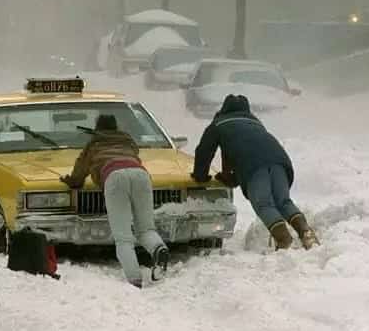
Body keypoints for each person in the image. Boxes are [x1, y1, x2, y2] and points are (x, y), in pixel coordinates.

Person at [191, 94, 319, 250]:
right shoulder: (255, 122)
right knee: (283, 202)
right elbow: (246, 149)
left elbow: (204, 152)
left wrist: (200, 176)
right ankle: (306, 233)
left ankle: (284, 240)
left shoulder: (218, 124)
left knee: (264, 204)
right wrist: (232, 178)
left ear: (224, 109)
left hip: (254, 167)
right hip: (280, 162)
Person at [61, 114, 169, 287]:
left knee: (123, 237)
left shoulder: (94, 144)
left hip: (114, 176)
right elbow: (132, 155)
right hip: (141, 175)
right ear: (116, 127)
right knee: (146, 229)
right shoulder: (127, 141)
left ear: (97, 128)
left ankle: (134, 280)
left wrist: (72, 181)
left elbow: (80, 172)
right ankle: (158, 248)